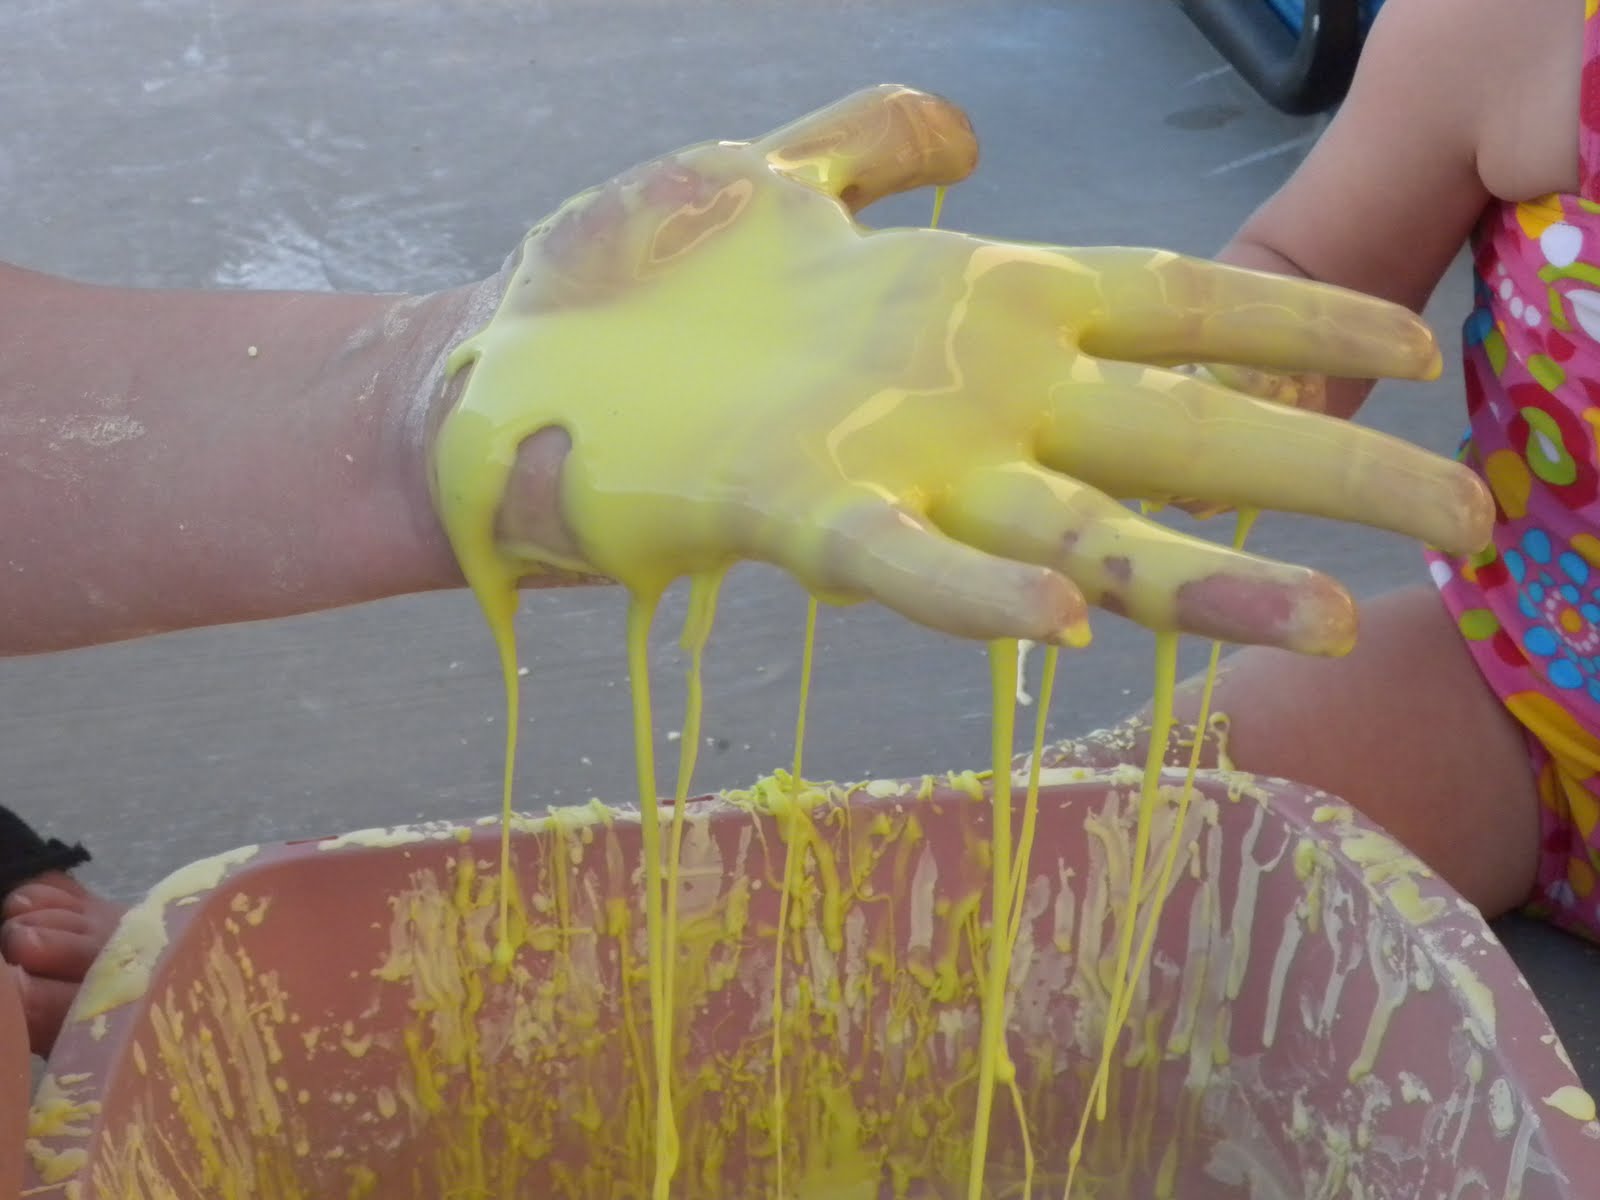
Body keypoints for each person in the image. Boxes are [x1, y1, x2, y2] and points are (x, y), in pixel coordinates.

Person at [0, 85, 1480, 1061]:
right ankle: (321, 999)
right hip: (1520, 695)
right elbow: (1314, 258)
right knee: (1072, 877)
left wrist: (408, 410)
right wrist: (442, 408)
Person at [1066, 0, 1600, 944]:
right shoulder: (1516, 28)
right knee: (1085, 849)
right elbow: (1312, 273)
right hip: (1535, 698)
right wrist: (1201, 399)